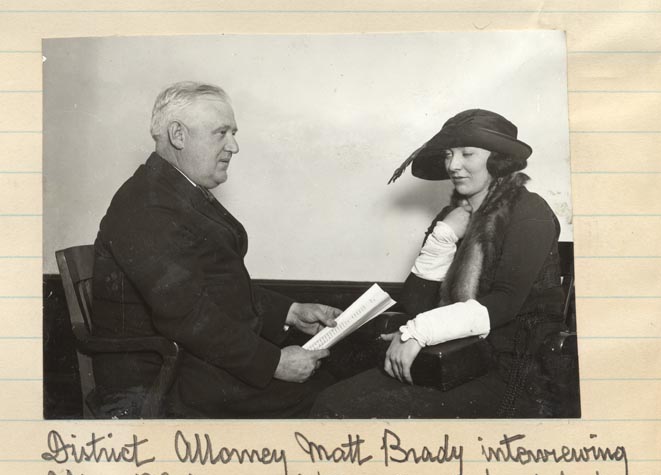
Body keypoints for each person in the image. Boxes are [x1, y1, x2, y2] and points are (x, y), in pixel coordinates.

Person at [91, 81, 341, 418]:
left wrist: (291, 312)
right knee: (329, 398)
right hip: (163, 381)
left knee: (332, 384)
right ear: (178, 135)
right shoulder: (148, 205)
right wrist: (274, 363)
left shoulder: (173, 191)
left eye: (232, 133)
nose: (233, 146)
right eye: (221, 133)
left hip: (192, 363)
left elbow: (216, 288)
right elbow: (186, 315)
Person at [313, 109, 573, 418]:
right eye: (449, 154)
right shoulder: (450, 216)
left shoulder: (529, 211)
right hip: (449, 356)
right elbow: (416, 304)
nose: (453, 165)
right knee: (331, 398)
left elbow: (504, 303)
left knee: (343, 409)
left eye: (467, 154)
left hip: (513, 369)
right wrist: (444, 236)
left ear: (497, 160)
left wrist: (420, 331)